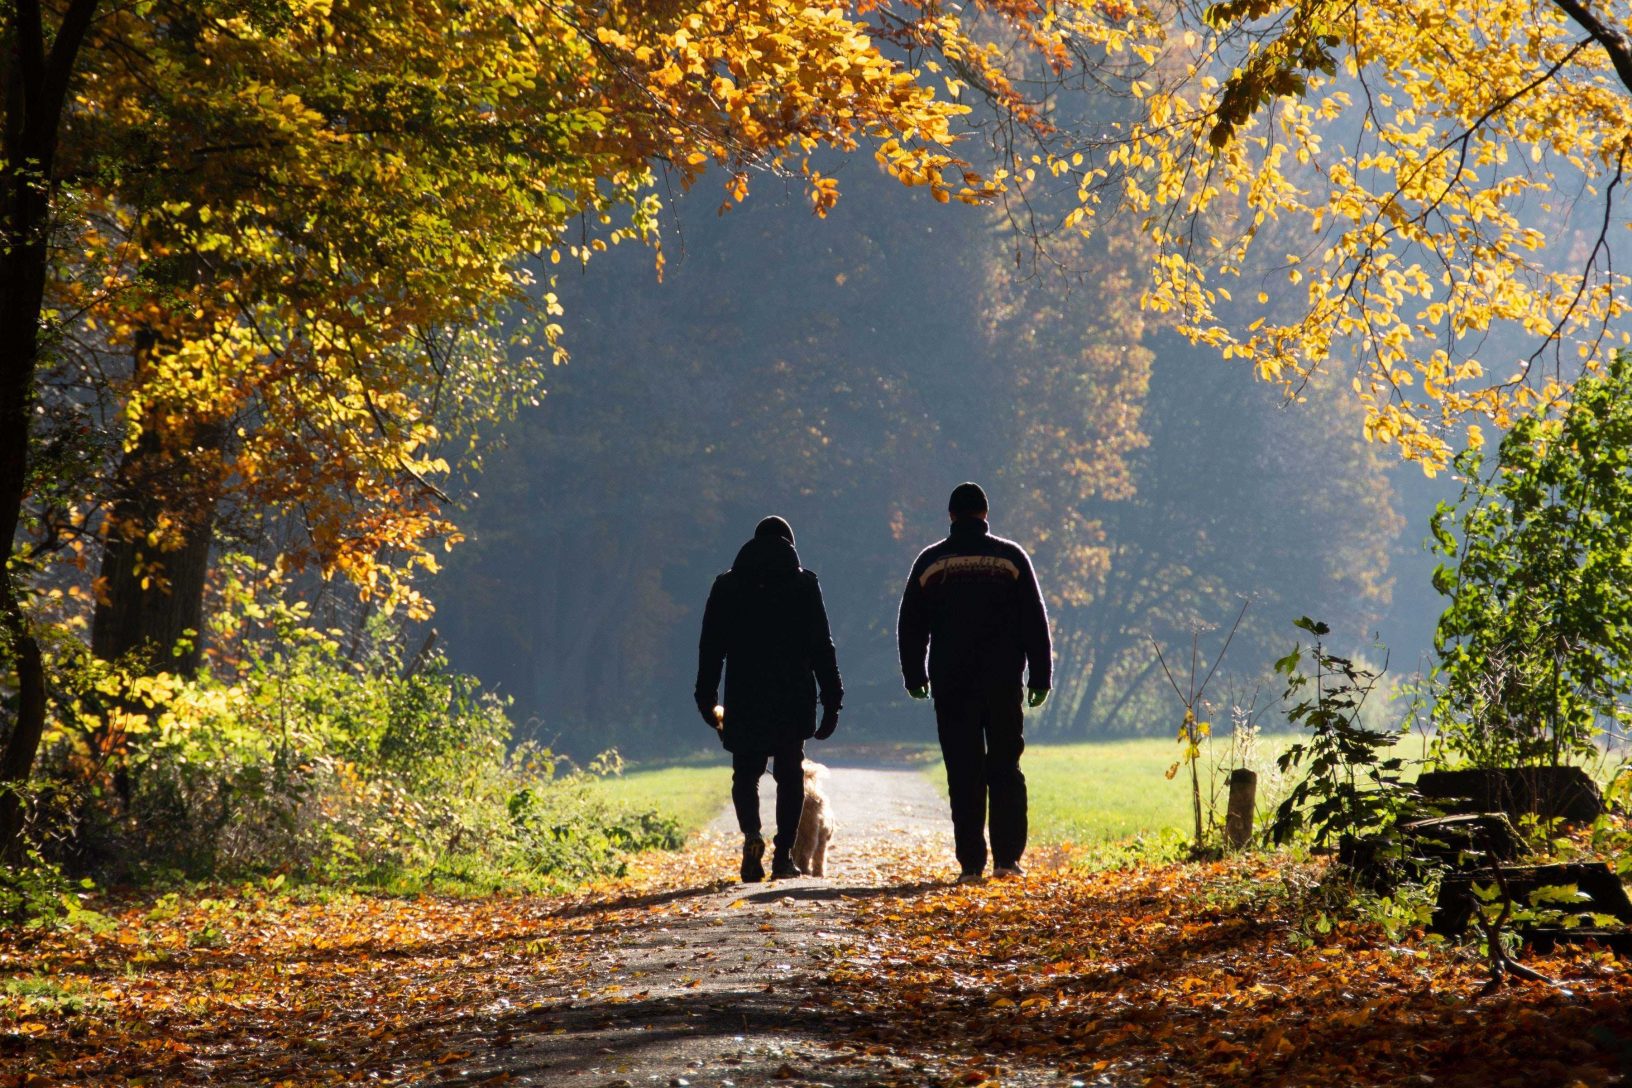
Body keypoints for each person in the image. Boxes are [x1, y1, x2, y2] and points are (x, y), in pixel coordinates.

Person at [897, 483, 1052, 882]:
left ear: (950, 516)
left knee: (963, 771)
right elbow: (1034, 619)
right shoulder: (1010, 558)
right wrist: (1040, 676)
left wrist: (915, 674)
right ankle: (1007, 860)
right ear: (986, 513)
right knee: (1005, 767)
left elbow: (911, 624)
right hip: (1002, 681)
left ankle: (970, 864)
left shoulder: (931, 561)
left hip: (952, 683)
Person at [696, 516, 842, 882]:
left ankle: (751, 838)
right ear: (790, 545)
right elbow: (822, 646)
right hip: (792, 693)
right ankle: (783, 856)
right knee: (790, 774)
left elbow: (711, 647)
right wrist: (832, 698)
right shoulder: (804, 584)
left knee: (745, 774)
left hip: (745, 694)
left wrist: (705, 696)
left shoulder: (726, 586)